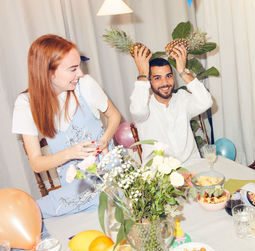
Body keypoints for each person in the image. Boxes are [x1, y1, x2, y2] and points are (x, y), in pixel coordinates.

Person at [12, 34, 121, 218]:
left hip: (112, 181)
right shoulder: (25, 104)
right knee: (23, 214)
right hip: (74, 193)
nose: (80, 73)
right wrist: (71, 153)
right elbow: (37, 163)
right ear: (48, 72)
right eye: (73, 69)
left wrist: (104, 141)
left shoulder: (85, 85)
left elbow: (114, 116)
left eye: (79, 66)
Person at [129, 45, 212, 165]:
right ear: (149, 81)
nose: (165, 83)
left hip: (192, 166)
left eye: (168, 76)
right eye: (157, 78)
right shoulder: (144, 104)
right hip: (161, 177)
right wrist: (142, 74)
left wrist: (183, 72)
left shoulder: (182, 98)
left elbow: (206, 102)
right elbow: (137, 111)